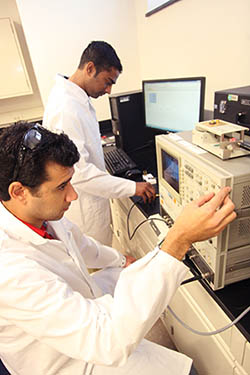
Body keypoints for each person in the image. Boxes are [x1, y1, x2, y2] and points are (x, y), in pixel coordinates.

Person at [0, 123, 236, 375]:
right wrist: (178, 240)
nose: (73, 195)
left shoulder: (35, 213)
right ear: (19, 192)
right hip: (63, 363)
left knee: (132, 279)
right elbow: (107, 342)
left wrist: (121, 260)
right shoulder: (10, 270)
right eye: (61, 187)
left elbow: (78, 241)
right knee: (185, 371)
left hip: (78, 314)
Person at [43, 40, 156, 246]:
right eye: (107, 81)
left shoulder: (76, 99)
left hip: (90, 205)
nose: (109, 90)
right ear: (90, 68)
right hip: (83, 214)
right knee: (94, 266)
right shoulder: (66, 108)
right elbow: (79, 173)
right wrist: (133, 187)